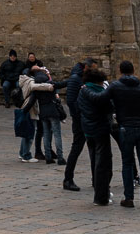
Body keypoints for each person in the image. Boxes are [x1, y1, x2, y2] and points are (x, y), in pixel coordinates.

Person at [96, 59, 140, 208]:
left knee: (127, 163)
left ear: (121, 71)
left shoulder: (115, 87)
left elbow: (101, 101)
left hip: (126, 128)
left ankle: (129, 198)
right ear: (133, 71)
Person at [77, 65, 113, 204]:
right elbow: (109, 107)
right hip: (100, 130)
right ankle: (101, 197)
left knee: (95, 162)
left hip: (88, 130)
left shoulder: (82, 92)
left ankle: (100, 192)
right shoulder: (99, 92)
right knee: (102, 164)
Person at [60, 57, 91, 191]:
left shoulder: (79, 78)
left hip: (86, 120)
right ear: (85, 67)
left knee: (92, 149)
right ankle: (68, 179)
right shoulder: (75, 79)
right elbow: (71, 101)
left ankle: (97, 179)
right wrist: (79, 116)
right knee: (76, 148)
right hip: (80, 121)